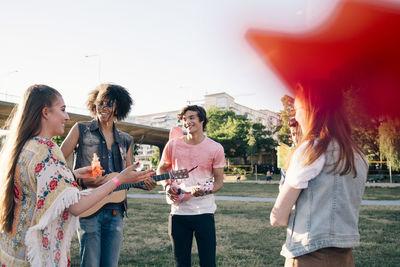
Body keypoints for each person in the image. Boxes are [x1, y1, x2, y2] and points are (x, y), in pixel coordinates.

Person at [0, 85, 153, 267]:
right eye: (63, 110)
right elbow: (75, 204)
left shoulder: (26, 146)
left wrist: (72, 174)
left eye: (108, 104)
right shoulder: (50, 147)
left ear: (118, 107)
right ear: (45, 112)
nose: (67, 117)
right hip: (39, 252)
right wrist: (116, 179)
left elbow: (47, 176)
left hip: (15, 249)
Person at [270, 85, 368, 267]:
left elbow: (277, 218)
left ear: (310, 110)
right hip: (345, 256)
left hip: (308, 254)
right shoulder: (358, 156)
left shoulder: (310, 151)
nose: (296, 117)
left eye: (297, 110)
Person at [61, 83, 156, 267]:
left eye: (108, 103)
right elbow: (56, 162)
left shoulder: (126, 139)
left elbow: (129, 174)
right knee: (90, 263)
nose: (103, 108)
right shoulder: (81, 129)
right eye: (100, 103)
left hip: (115, 209)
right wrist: (79, 179)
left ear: (118, 107)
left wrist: (144, 182)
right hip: (88, 205)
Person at [157, 105, 225, 267]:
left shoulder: (215, 148)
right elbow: (161, 169)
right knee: (181, 263)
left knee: (208, 263)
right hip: (179, 213)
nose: (187, 122)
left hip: (204, 212)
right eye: (184, 119)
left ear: (202, 120)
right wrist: (167, 186)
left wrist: (204, 190)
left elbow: (219, 182)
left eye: (192, 117)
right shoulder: (173, 145)